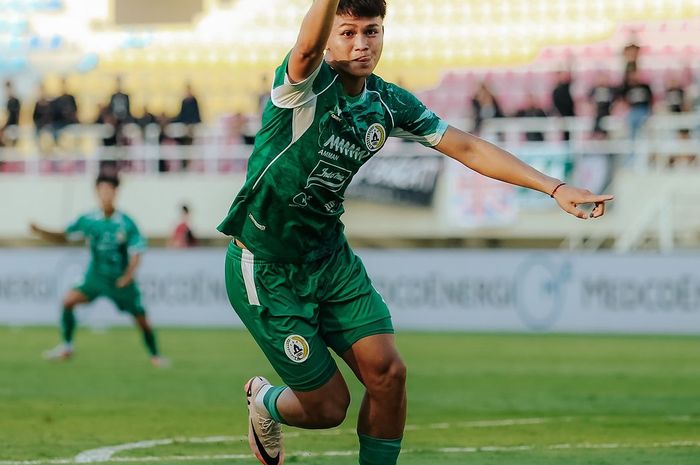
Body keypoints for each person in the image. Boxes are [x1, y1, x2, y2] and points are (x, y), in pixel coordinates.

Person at [217, 2, 613, 465]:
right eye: (347, 32)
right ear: (328, 38)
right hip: (265, 266)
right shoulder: (303, 85)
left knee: (389, 374)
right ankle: (264, 400)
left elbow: (465, 145)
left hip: (328, 257)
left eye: (372, 31)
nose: (361, 43)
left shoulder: (386, 102)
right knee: (328, 408)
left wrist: (554, 186)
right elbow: (306, 43)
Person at [30, 174, 165, 367]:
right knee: (68, 301)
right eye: (102, 190)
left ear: (116, 193)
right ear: (97, 192)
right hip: (95, 277)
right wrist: (41, 231)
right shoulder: (88, 219)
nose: (105, 194)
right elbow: (64, 236)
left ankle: (155, 356)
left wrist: (128, 276)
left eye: (109, 190)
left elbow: (137, 252)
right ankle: (67, 346)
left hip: (120, 281)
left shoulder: (126, 222)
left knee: (142, 319)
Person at [3, 80, 21, 146]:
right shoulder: (8, 101)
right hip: (9, 126)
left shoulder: (15, 101)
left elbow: (14, 115)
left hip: (14, 126)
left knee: (13, 144)